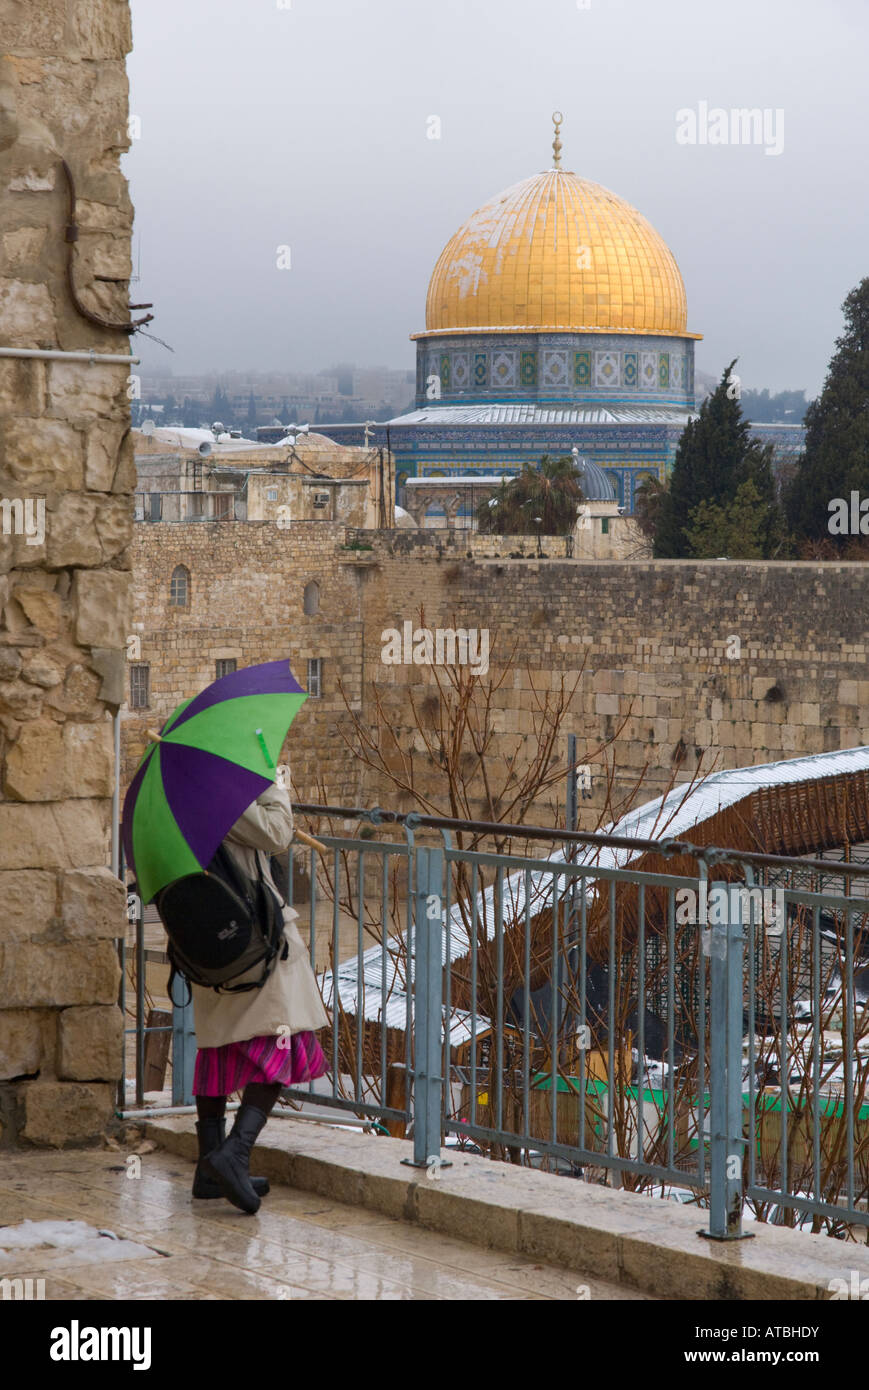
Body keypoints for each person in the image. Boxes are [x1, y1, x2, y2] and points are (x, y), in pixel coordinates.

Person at [191, 779, 328, 1213]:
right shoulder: (216, 788)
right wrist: (274, 786)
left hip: (208, 936)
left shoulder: (177, 794)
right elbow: (274, 834)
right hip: (253, 936)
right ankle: (233, 1154)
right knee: (286, 1038)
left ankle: (208, 1168)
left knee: (221, 1043)